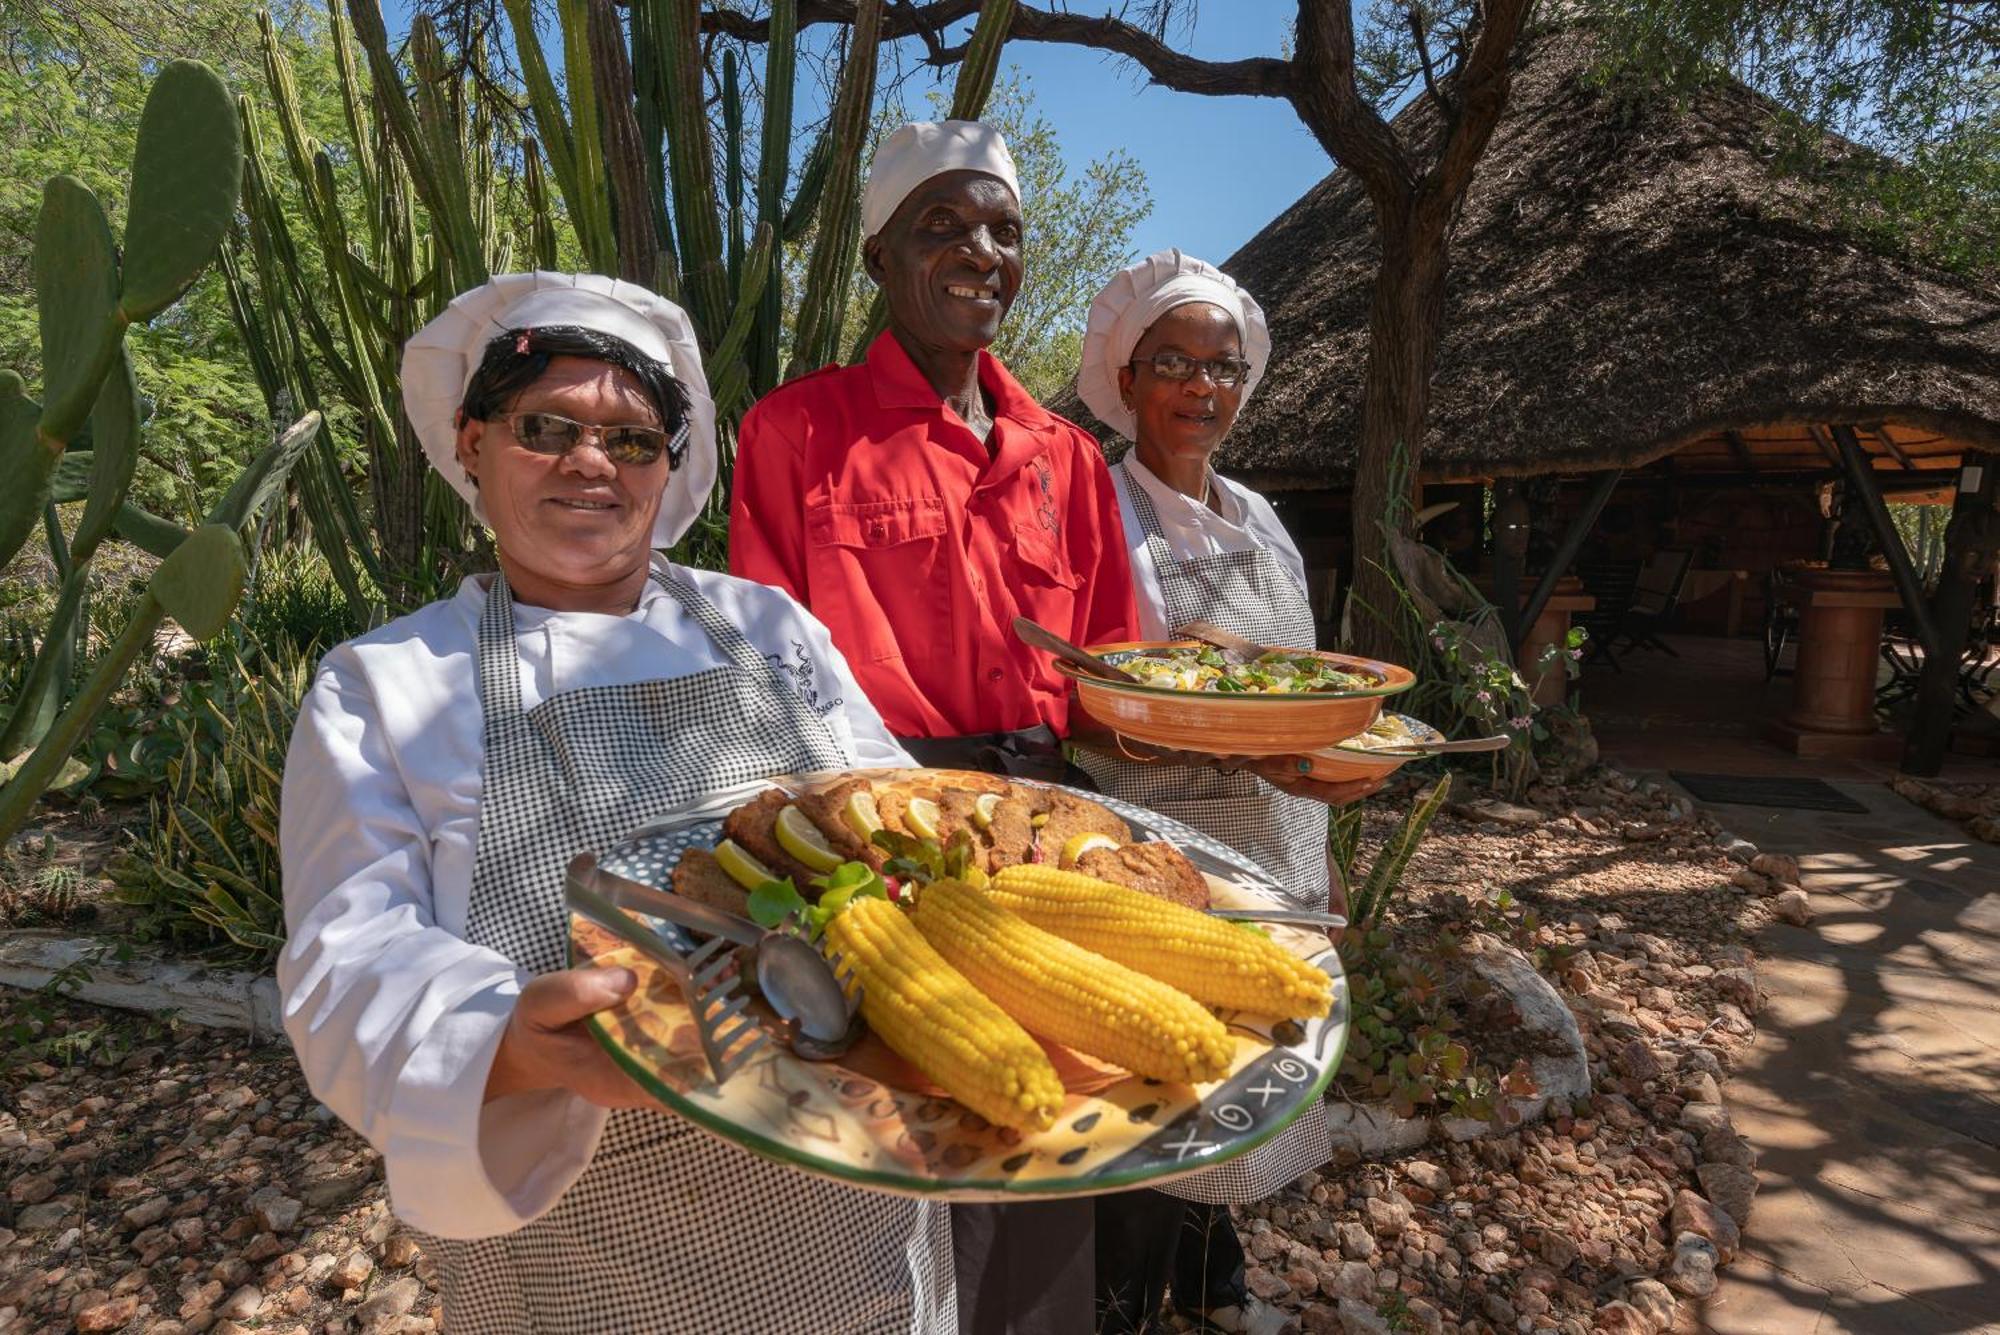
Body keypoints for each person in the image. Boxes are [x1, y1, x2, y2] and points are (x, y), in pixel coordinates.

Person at [277, 272, 954, 1334]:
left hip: (855, 1183)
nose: (590, 461)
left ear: (667, 467)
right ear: (470, 440)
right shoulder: (385, 683)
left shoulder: (767, 628)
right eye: (545, 426)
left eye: (631, 439)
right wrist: (500, 1040)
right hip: (589, 1230)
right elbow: (342, 958)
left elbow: (891, 805)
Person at [729, 119, 1132, 1335]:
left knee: (1051, 1116)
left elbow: (1113, 671)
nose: (980, 252)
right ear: (878, 260)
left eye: (1003, 230)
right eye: (942, 226)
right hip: (875, 820)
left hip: (1047, 823)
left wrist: (1249, 752)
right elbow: (764, 666)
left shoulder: (1066, 455)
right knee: (890, 1128)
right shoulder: (794, 433)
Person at [1071, 250, 1374, 1335]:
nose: (1201, 388)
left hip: (1282, 831)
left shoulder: (1257, 513)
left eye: (1222, 366)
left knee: (1253, 1060)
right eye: (1174, 363)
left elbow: (1296, 681)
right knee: (1166, 1080)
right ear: (1127, 376)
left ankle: (1208, 1266)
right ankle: (1121, 1304)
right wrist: (1233, 749)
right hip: (1169, 848)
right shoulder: (1099, 508)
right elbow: (1087, 703)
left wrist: (1320, 816)